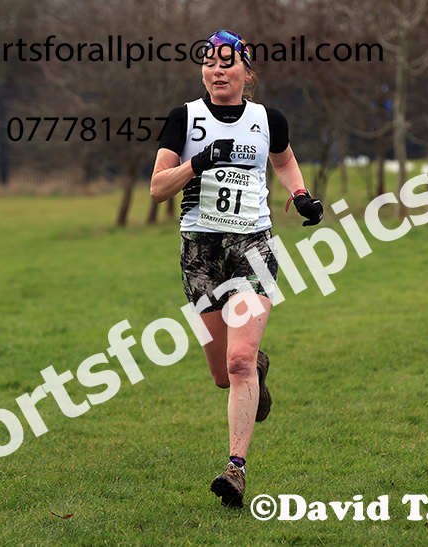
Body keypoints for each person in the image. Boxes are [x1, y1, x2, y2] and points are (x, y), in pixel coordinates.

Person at [150, 29, 323, 508]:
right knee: (223, 376)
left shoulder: (269, 119)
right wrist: (197, 164)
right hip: (200, 253)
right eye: (209, 62)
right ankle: (258, 372)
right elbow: (157, 188)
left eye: (227, 62)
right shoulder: (185, 118)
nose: (217, 70)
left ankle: (236, 469)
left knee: (238, 360)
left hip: (252, 248)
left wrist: (300, 195)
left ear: (248, 72)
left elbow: (284, 162)